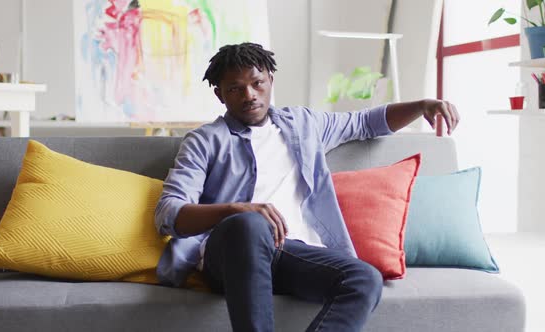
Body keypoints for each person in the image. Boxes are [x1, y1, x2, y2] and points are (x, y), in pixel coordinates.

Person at [155, 42, 459, 332]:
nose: (249, 95)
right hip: (232, 254)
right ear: (220, 95)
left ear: (271, 80)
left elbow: (367, 122)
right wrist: (235, 210)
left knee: (364, 279)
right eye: (235, 89)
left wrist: (423, 105)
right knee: (249, 224)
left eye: (257, 83)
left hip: (293, 253)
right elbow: (169, 213)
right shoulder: (205, 141)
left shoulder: (303, 124)